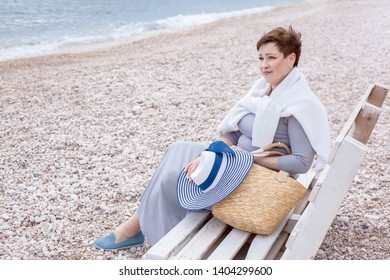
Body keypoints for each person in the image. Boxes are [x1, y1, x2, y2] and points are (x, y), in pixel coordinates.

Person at [93, 26, 331, 250]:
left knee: (171, 181)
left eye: (271, 58)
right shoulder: (264, 90)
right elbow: (234, 132)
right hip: (235, 159)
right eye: (260, 58)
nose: (264, 65)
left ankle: (153, 238)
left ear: (291, 59)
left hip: (255, 175)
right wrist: (215, 151)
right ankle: (136, 228)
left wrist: (248, 158)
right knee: (178, 149)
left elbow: (301, 162)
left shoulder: (300, 104)